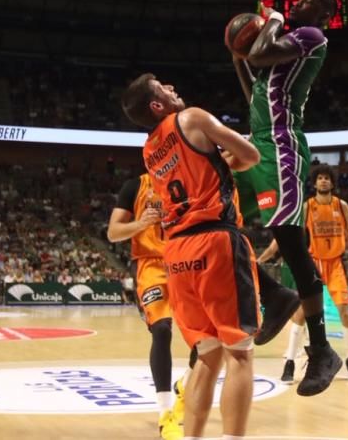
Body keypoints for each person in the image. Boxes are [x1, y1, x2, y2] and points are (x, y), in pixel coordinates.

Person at [122, 74, 261, 440]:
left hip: (176, 252)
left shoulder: (149, 150)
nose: (172, 87)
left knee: (208, 356)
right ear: (157, 105)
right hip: (215, 239)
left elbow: (197, 169)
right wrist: (229, 158)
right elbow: (250, 156)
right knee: (240, 354)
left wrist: (217, 163)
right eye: (164, 89)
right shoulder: (194, 118)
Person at [229, 0, 343, 396]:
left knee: (292, 247)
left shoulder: (311, 37)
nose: (301, 2)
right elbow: (255, 87)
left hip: (281, 145)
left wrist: (274, 17)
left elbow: (260, 54)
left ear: (326, 14)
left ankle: (322, 349)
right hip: (260, 143)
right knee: (217, 220)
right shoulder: (279, 51)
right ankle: (275, 294)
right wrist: (237, 59)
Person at [262, 166, 348, 384]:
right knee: (301, 313)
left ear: (332, 183)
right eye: (320, 178)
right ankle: (289, 363)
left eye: (327, 178)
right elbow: (288, 235)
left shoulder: (342, 205)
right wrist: (266, 255)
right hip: (315, 263)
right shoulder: (307, 207)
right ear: (315, 182)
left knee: (345, 312)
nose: (323, 181)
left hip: (336, 264)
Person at [107, 173, 186, 440]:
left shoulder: (190, 180)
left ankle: (185, 386)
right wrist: (141, 223)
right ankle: (166, 414)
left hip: (187, 262)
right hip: (150, 265)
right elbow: (113, 232)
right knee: (162, 329)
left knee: (209, 339)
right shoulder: (135, 186)